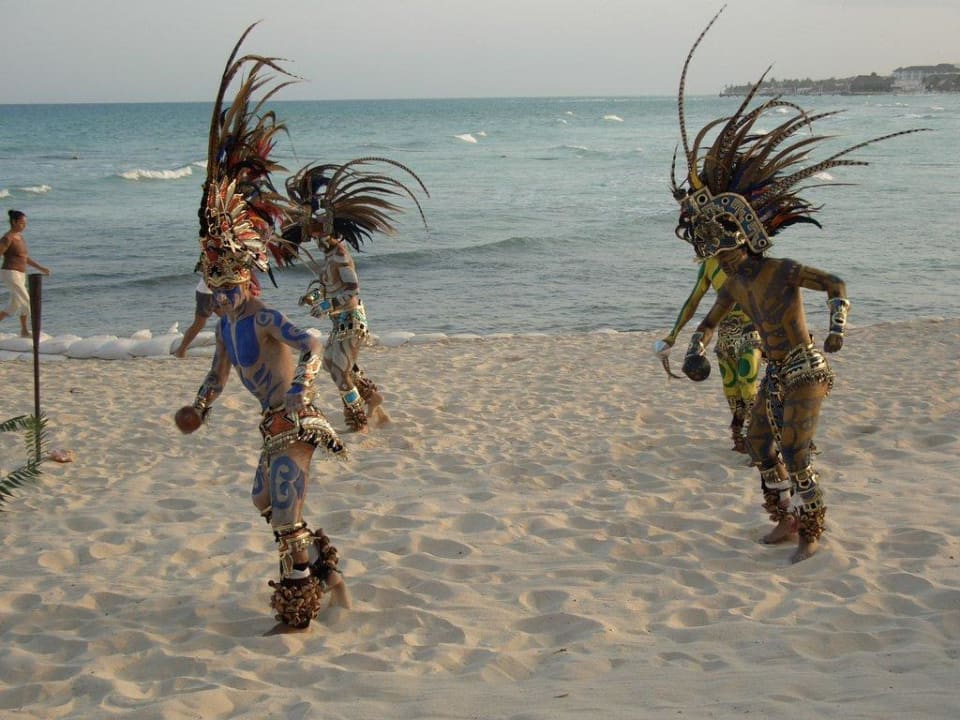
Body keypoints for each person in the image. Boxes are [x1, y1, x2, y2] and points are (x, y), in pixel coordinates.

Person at [668, 8, 926, 562]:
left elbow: (835, 281)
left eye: (724, 247)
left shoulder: (782, 271)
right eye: (713, 250)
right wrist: (695, 349)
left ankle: (812, 530)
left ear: (746, 239)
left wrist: (838, 329)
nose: (720, 257)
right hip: (775, 373)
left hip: (806, 368)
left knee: (796, 449)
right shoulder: (735, 284)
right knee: (761, 443)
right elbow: (709, 321)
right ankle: (785, 517)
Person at [176, 23, 349, 632]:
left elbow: (316, 340)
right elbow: (217, 375)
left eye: (229, 283)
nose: (222, 293)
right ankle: (327, 569)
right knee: (264, 503)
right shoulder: (226, 328)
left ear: (245, 276)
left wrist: (303, 388)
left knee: (283, 514)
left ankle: (298, 612)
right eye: (214, 284)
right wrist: (198, 407)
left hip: (296, 419)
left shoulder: (265, 317)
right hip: (267, 424)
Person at [282, 159, 428, 434]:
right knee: (336, 365)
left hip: (352, 322)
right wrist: (314, 299)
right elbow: (331, 287)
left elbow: (351, 291)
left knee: (339, 371)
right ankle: (373, 399)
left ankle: (357, 418)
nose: (314, 239)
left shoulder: (339, 255)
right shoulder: (328, 257)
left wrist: (326, 304)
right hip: (341, 323)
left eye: (316, 233)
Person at [654, 256, 760, 453]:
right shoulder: (709, 265)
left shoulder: (753, 257)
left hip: (752, 327)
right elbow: (693, 300)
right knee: (731, 390)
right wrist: (673, 334)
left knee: (747, 385)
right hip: (726, 330)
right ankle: (739, 437)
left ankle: (760, 439)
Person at [0, 210, 50, 337]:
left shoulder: (19, 237)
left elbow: (24, 258)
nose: (24, 226)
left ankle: (23, 330)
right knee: (27, 301)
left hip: (20, 274)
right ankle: (24, 331)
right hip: (10, 273)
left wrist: (41, 268)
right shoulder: (8, 238)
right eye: (22, 223)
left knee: (14, 305)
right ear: (14, 222)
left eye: (25, 223)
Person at [173, 276, 217, 357]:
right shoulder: (211, 263)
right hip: (207, 294)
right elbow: (206, 277)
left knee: (232, 319)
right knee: (199, 324)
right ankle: (180, 351)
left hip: (219, 293)